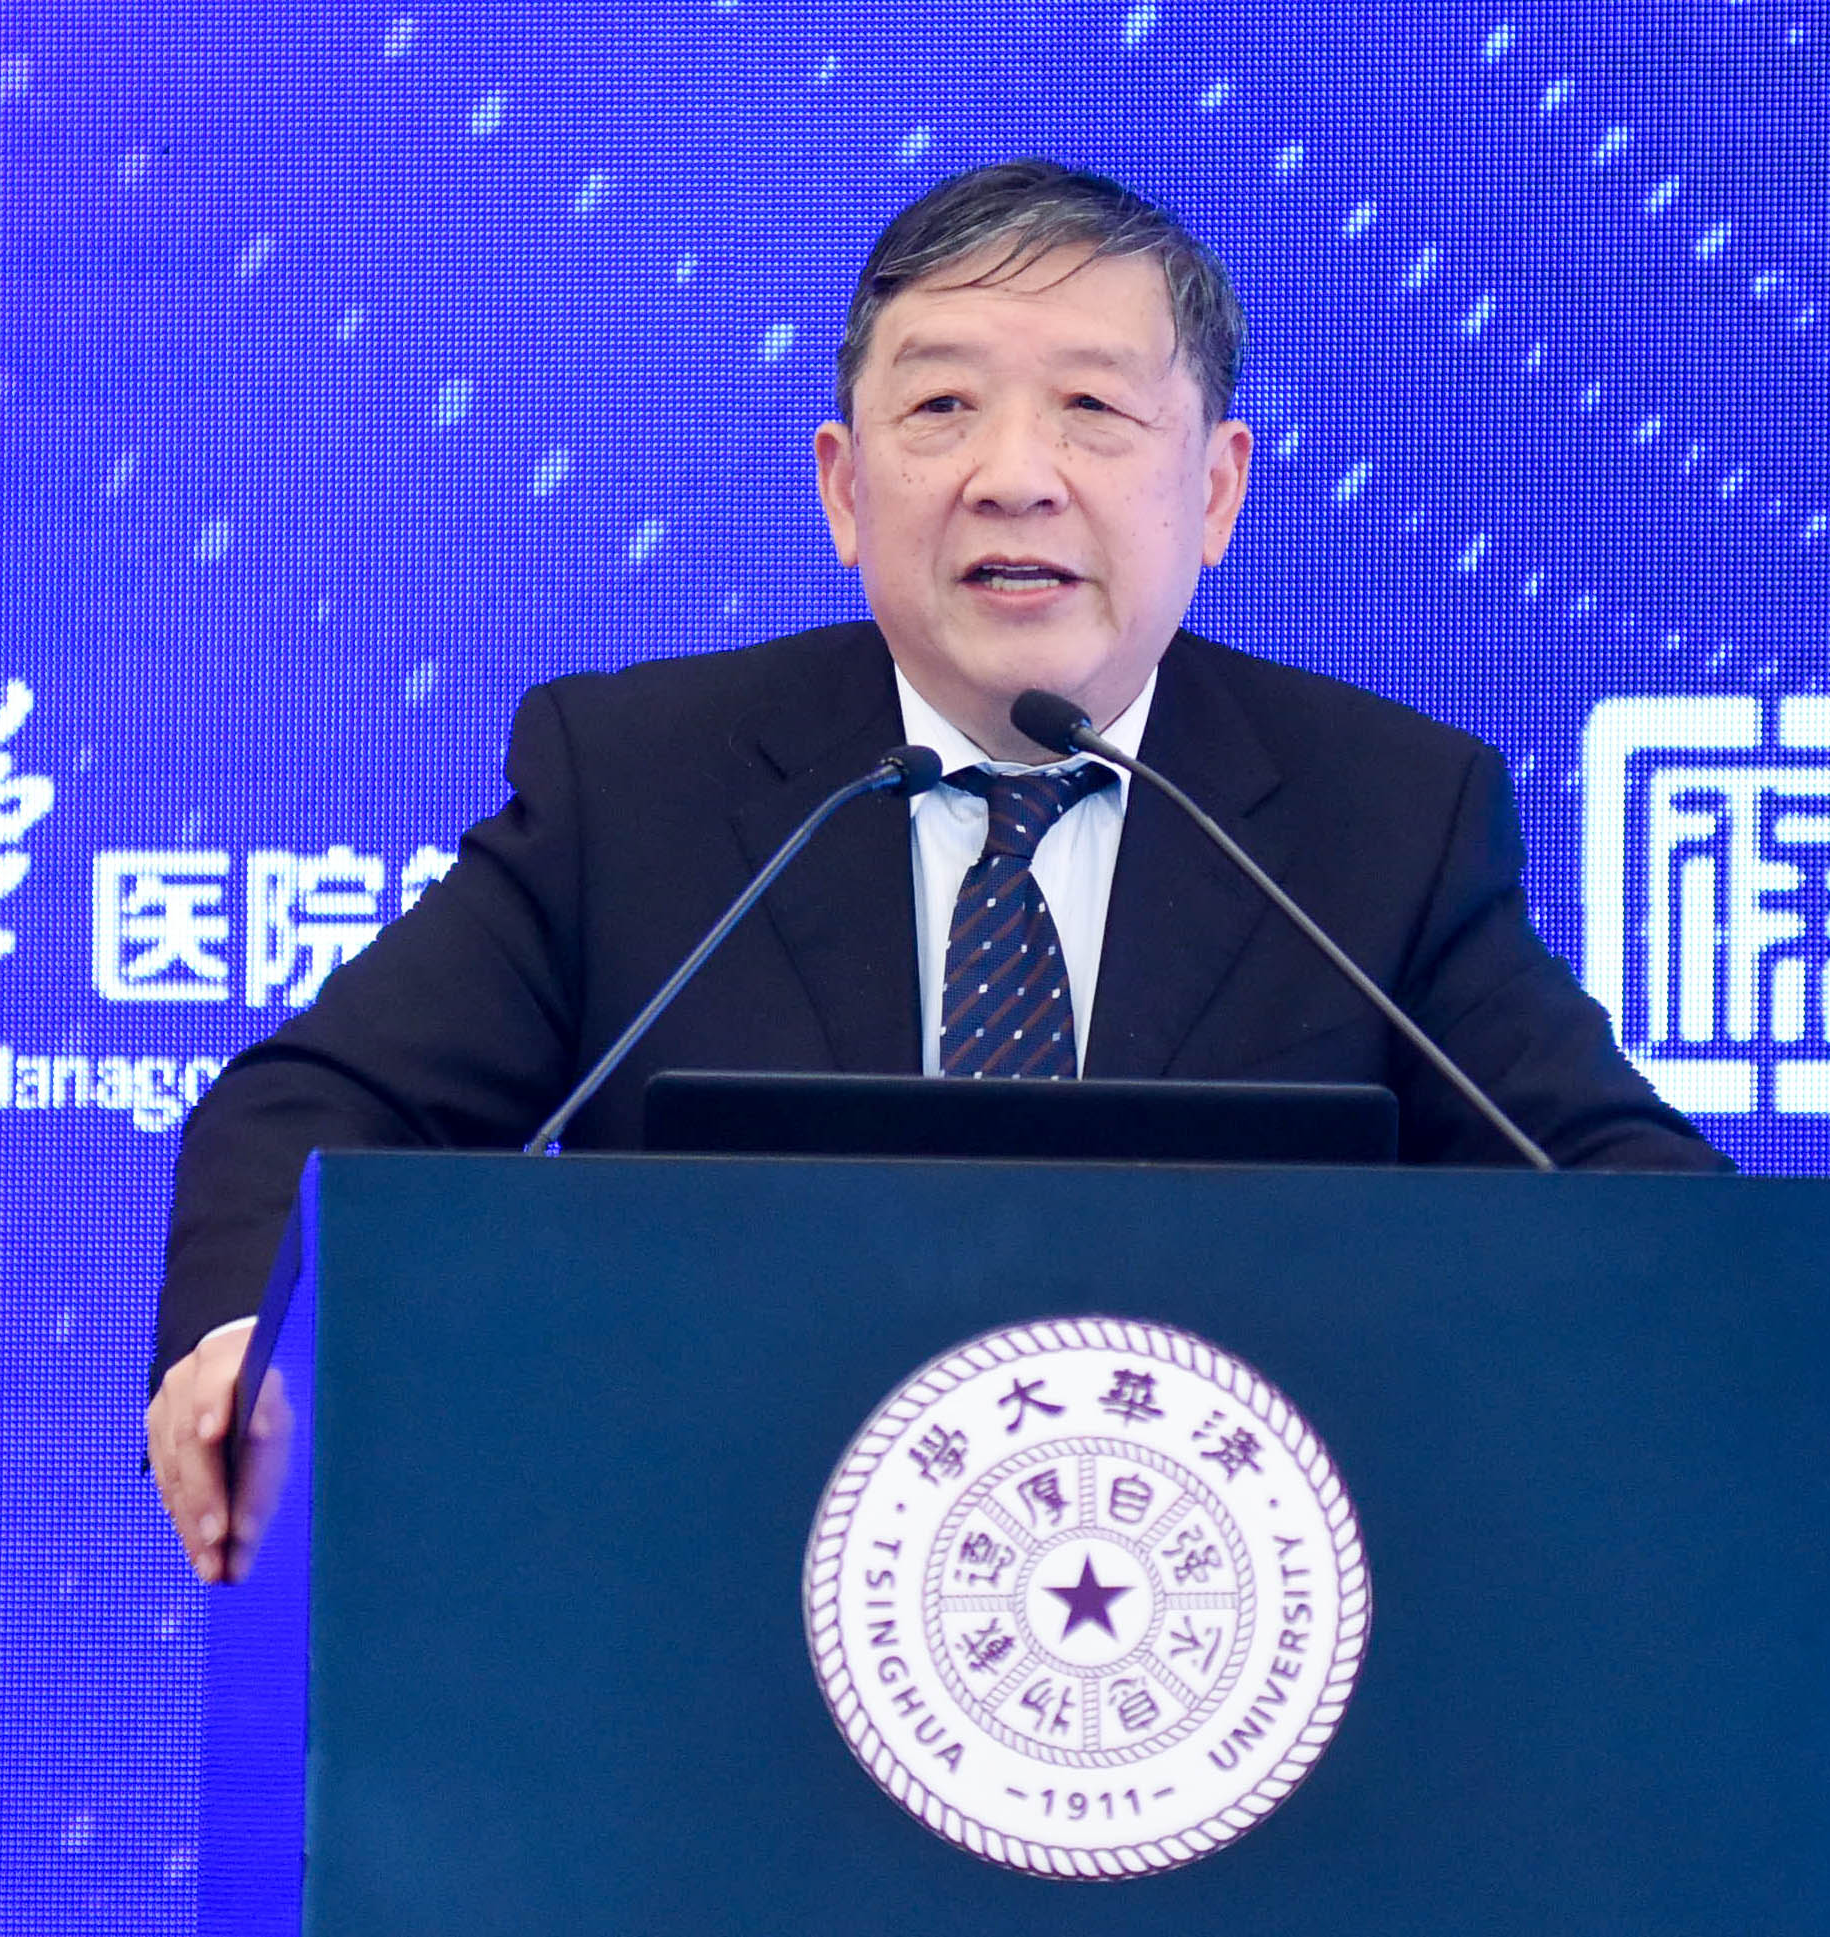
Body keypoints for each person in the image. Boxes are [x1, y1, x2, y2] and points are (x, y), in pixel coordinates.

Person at [146, 158, 1723, 1582]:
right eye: (943, 408)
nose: (1013, 474)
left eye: (1091, 409)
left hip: (1212, 1653)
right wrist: (245, 1347)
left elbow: (1625, 1200)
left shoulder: (1381, 812)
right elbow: (316, 1105)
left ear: (1215, 488)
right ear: (845, 487)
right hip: (708, 1631)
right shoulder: (640, 779)